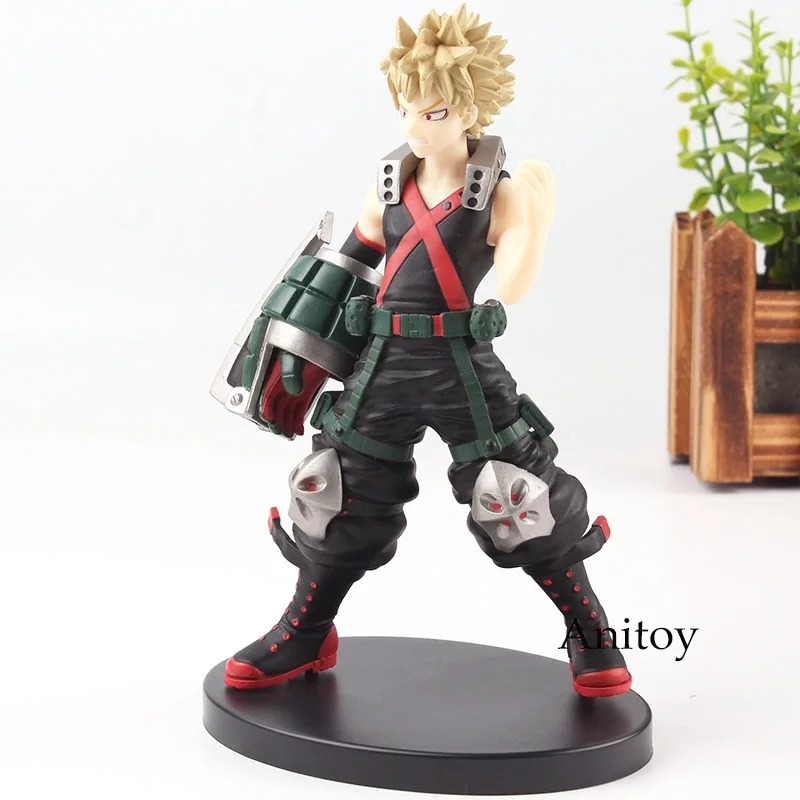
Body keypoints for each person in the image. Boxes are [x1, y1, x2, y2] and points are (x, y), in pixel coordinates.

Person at [221, 4, 632, 699]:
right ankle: (306, 632)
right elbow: (339, 272)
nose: (415, 125)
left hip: (461, 366)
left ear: (469, 110)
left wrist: (534, 220)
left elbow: (515, 286)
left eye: (433, 111)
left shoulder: (496, 194)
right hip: (382, 362)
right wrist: (292, 346)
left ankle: (590, 636)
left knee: (517, 496)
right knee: (332, 489)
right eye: (407, 108)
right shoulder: (388, 187)